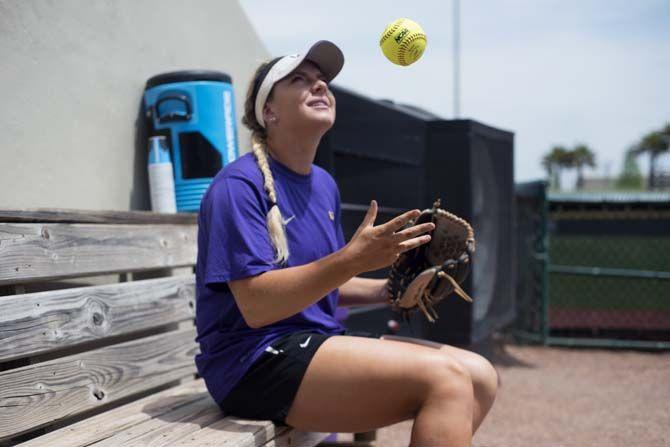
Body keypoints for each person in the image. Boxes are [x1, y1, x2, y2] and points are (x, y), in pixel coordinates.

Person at [194, 40, 498, 447]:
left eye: (322, 81)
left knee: (480, 375)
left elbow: (323, 287)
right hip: (250, 361)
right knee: (447, 379)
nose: (319, 86)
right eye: (300, 80)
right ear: (269, 112)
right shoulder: (238, 186)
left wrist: (389, 292)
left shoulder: (323, 185)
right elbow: (256, 306)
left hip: (314, 344)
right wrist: (354, 259)